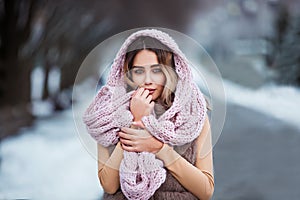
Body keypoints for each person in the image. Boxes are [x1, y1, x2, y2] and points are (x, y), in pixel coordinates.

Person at [83, 29, 214, 200]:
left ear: (171, 71)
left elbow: (205, 191)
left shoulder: (193, 115)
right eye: (138, 71)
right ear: (127, 73)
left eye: (156, 70)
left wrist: (160, 149)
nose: (147, 80)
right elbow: (109, 184)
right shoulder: (108, 114)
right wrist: (134, 123)